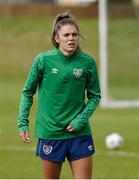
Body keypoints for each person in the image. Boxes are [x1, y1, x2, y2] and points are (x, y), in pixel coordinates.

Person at [18, 11, 101, 179]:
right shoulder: (43, 60)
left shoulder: (87, 62)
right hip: (51, 132)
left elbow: (95, 96)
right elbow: (27, 92)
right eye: (66, 35)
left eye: (74, 35)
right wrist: (23, 123)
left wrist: (80, 120)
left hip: (79, 133)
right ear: (57, 38)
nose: (71, 38)